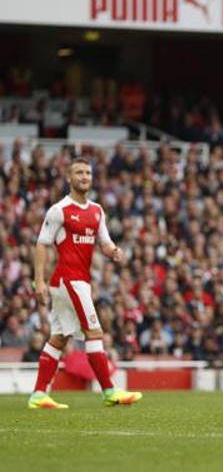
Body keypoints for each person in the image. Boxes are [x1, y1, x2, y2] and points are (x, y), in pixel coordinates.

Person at [30, 157, 142, 409]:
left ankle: (38, 394)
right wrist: (38, 280)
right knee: (94, 332)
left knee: (59, 337)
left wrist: (113, 251)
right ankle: (109, 391)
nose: (84, 177)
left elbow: (104, 241)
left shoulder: (97, 210)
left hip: (77, 281)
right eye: (79, 173)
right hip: (69, 280)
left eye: (88, 173)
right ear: (69, 178)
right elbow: (41, 243)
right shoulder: (60, 210)